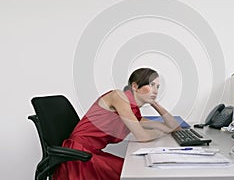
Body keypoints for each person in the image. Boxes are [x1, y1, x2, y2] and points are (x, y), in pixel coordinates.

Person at [53, 67, 181, 180]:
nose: (155, 91)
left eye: (157, 87)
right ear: (135, 87)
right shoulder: (118, 97)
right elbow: (142, 137)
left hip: (92, 153)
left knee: (136, 170)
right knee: (134, 173)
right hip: (78, 155)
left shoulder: (134, 115)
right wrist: (160, 132)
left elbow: (174, 126)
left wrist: (155, 103)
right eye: (151, 85)